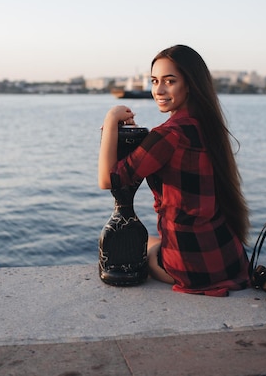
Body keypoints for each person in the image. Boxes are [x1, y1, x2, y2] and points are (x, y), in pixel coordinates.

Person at [98, 45, 250, 296]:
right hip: (229, 257)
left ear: (189, 84)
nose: (158, 90)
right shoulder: (207, 126)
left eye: (170, 81)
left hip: (191, 267)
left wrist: (111, 120)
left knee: (132, 247)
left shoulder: (168, 135)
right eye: (155, 81)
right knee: (152, 242)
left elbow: (107, 179)